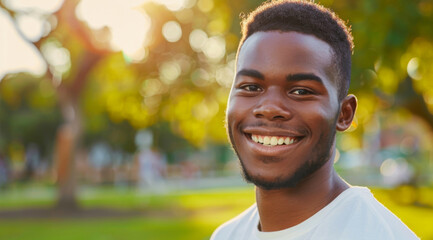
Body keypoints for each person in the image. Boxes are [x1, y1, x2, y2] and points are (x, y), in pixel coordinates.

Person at [211, 1, 419, 239]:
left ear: (344, 114)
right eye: (250, 86)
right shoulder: (226, 235)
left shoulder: (376, 234)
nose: (269, 108)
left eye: (300, 91)